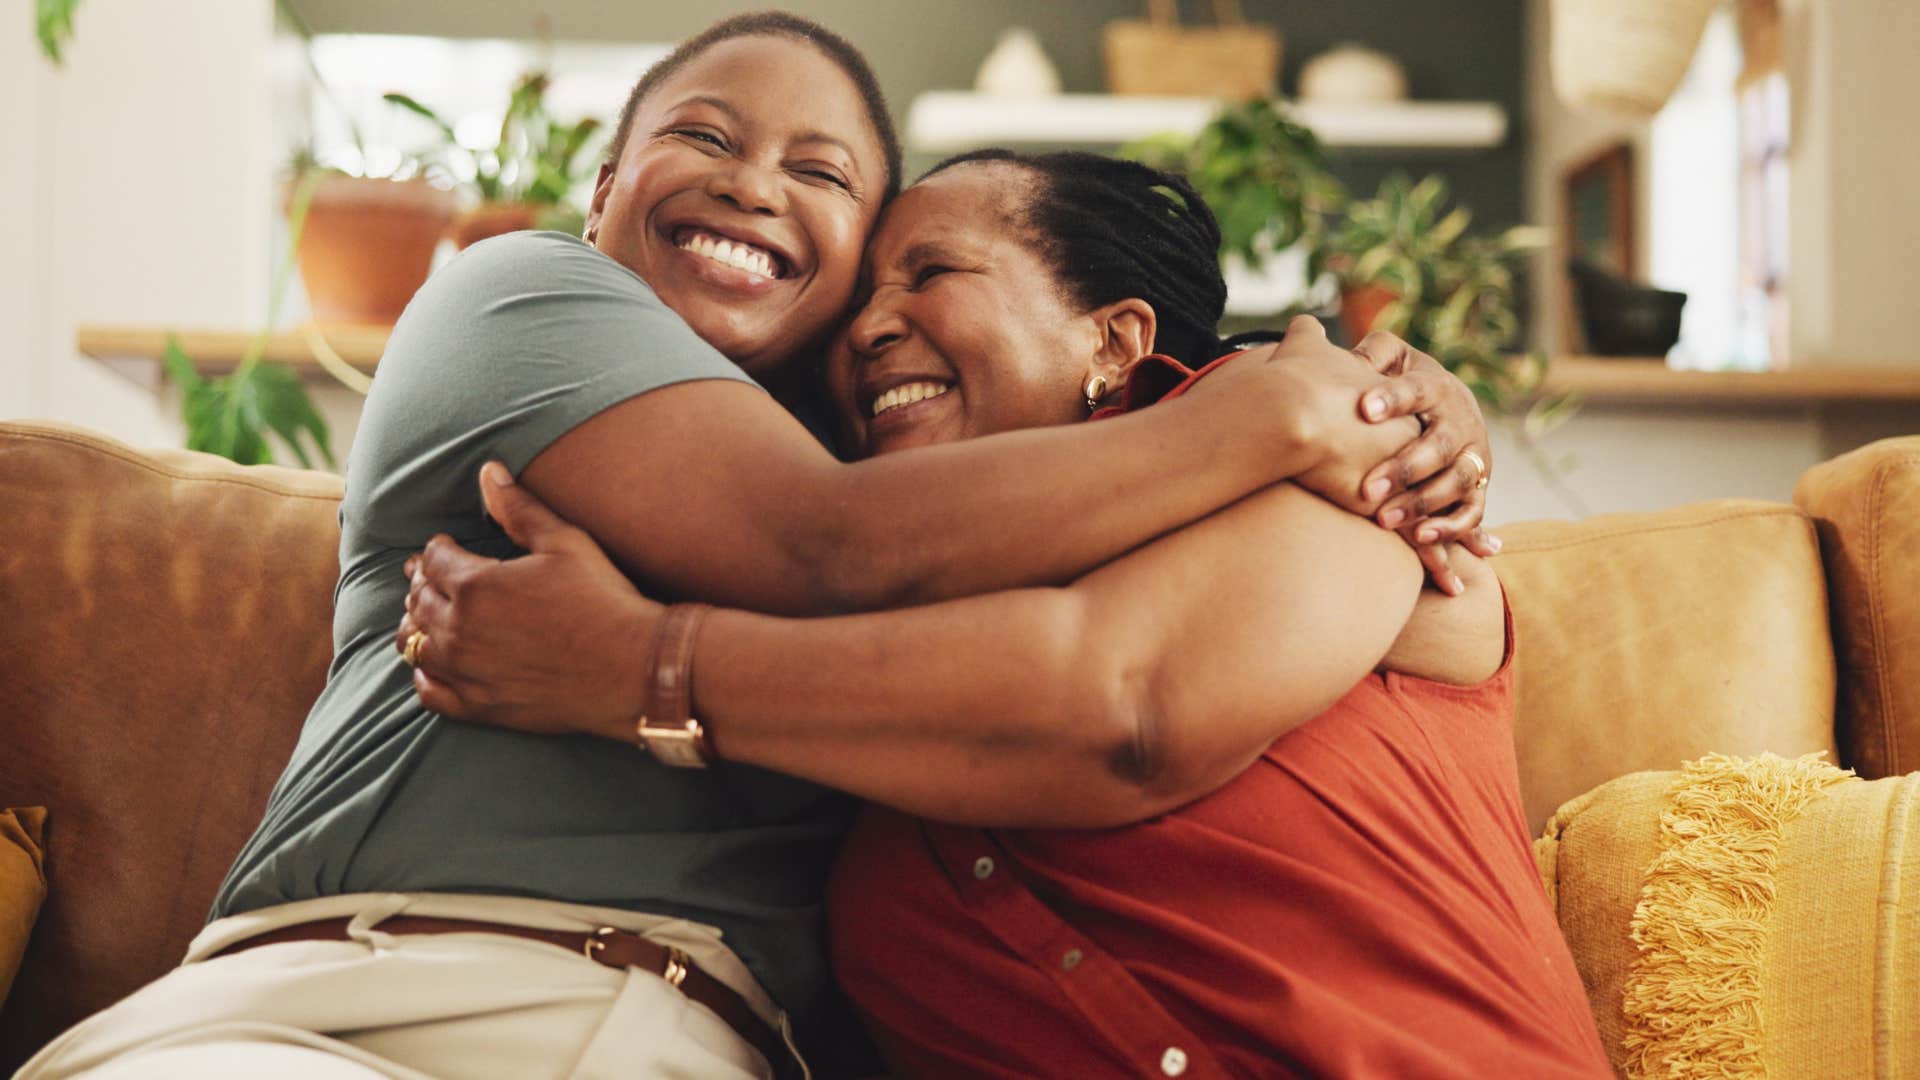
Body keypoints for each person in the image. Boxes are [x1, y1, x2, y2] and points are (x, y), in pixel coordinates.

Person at [15, 14, 1489, 1080]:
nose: (753, 184)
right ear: (602, 194)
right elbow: (823, 546)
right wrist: (1307, 410)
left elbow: (1107, 698)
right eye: (701, 138)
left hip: (690, 1044)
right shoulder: (528, 298)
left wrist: (1377, 409)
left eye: (828, 179)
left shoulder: (974, 501)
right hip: (354, 996)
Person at [395, 151, 1607, 1077]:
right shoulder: (862, 693)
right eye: (859, 299)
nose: (868, 328)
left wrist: (639, 671)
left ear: (1114, 336)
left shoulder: (1319, 438)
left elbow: (1127, 708)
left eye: (932, 274)